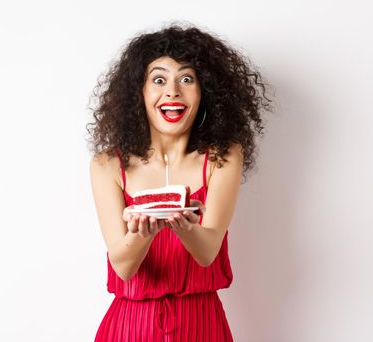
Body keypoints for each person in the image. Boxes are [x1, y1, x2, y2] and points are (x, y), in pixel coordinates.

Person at [87, 23, 271, 341]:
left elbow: (207, 252)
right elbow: (123, 266)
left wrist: (184, 226)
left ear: (205, 92)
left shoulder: (223, 157)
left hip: (201, 324)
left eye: (187, 79)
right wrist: (143, 234)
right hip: (131, 327)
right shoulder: (107, 165)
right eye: (159, 79)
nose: (172, 91)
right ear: (139, 93)